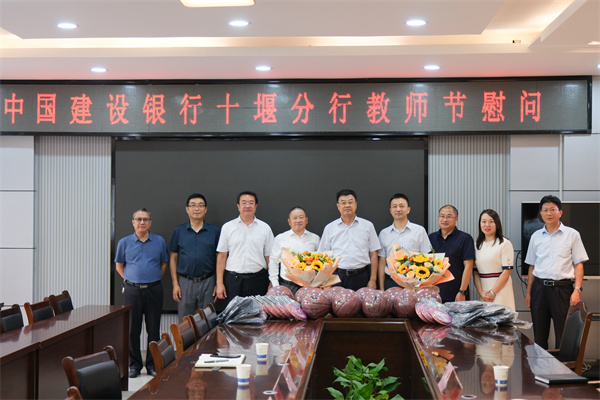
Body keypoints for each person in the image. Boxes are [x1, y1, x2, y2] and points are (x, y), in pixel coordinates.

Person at [525, 195, 587, 349]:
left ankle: (563, 365)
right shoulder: (535, 237)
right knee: (539, 336)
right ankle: (541, 365)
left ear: (560, 212)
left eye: (552, 209)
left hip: (562, 290)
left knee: (563, 335)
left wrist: (577, 290)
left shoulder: (572, 234)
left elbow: (578, 264)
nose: (549, 213)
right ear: (541, 213)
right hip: (539, 290)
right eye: (545, 210)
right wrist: (529, 292)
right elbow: (532, 266)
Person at [115, 208, 169, 378]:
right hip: (132, 290)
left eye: (145, 219)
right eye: (138, 219)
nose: (142, 222)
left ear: (150, 223)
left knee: (153, 329)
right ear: (133, 222)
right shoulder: (124, 242)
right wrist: (130, 279)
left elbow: (164, 263)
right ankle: (135, 365)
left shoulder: (159, 241)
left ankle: (152, 365)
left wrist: (153, 278)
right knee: (133, 329)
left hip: (154, 289)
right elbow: (119, 265)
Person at [214, 191, 274, 305]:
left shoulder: (265, 228)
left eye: (251, 203)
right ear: (238, 206)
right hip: (233, 281)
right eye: (244, 203)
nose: (247, 206)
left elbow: (269, 258)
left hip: (258, 280)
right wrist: (219, 283)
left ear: (255, 206)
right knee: (234, 315)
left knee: (258, 314)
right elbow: (222, 256)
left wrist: (272, 281)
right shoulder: (228, 227)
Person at [169, 193, 221, 322]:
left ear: (205, 209)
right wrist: (175, 284)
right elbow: (173, 258)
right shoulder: (179, 231)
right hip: (185, 283)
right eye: (193, 205)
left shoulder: (214, 231)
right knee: (185, 323)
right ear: (187, 209)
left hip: (208, 281)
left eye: (200, 205)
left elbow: (219, 258)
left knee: (208, 321)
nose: (196, 208)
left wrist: (218, 282)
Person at [318, 189, 380, 291]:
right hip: (337, 277)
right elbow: (323, 256)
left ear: (356, 204)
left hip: (362, 276)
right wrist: (325, 281)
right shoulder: (330, 228)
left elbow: (373, 253)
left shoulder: (368, 226)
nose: (347, 205)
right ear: (338, 206)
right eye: (343, 203)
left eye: (350, 202)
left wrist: (373, 279)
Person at [377, 193, 431, 290]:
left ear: (408, 209)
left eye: (401, 206)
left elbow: (426, 258)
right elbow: (382, 262)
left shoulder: (419, 231)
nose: (398, 209)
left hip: (414, 281)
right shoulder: (384, 233)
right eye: (394, 206)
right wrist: (381, 289)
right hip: (391, 282)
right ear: (390, 210)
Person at [428, 205, 475, 303]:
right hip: (433, 295)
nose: (445, 219)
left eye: (449, 216)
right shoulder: (431, 238)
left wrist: (462, 291)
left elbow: (469, 266)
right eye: (442, 216)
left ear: (456, 219)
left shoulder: (465, 238)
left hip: (456, 293)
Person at [269, 206, 320, 294]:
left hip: (309, 286)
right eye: (295, 218)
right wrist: (276, 285)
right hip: (287, 285)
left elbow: (320, 263)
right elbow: (273, 262)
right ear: (289, 221)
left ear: (306, 220)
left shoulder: (315, 238)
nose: (298, 220)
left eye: (301, 217)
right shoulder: (280, 238)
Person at [473, 209, 516, 310]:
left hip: (501, 291)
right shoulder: (477, 245)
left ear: (497, 224)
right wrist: (481, 292)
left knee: (501, 318)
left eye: (491, 221)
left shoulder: (504, 243)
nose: (487, 225)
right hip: (484, 293)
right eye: (484, 221)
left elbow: (507, 271)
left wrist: (493, 292)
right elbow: (475, 273)